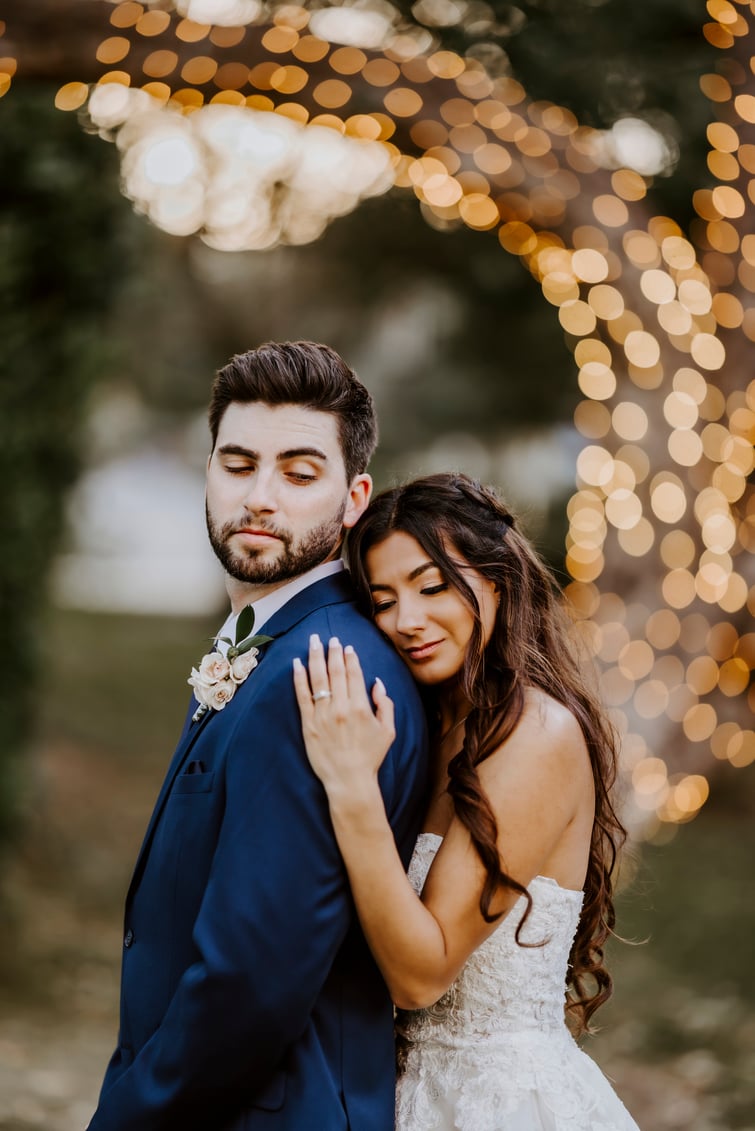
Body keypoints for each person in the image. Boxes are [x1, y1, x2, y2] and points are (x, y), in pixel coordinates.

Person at [88, 342, 429, 1131]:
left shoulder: (320, 669)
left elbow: (251, 976)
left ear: (354, 498)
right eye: (237, 464)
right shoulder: (270, 639)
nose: (260, 496)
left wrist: (128, 1114)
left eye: (300, 472)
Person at [293, 472, 641, 1131]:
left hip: (497, 1103)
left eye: (430, 587)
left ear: (496, 579)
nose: (405, 620)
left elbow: (419, 977)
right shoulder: (434, 723)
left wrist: (351, 788)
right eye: (383, 599)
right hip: (399, 1089)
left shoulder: (533, 734)